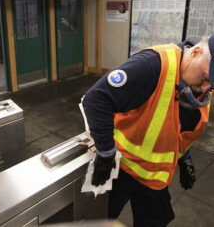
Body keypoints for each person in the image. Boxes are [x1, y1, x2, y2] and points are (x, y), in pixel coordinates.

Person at [82, 36, 214, 227]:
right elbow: (96, 99)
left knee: (155, 221)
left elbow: (176, 125)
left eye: (212, 85)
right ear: (195, 52)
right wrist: (105, 153)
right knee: (99, 219)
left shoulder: (201, 89)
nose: (206, 88)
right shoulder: (152, 65)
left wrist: (183, 157)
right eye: (205, 78)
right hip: (122, 167)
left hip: (155, 177)